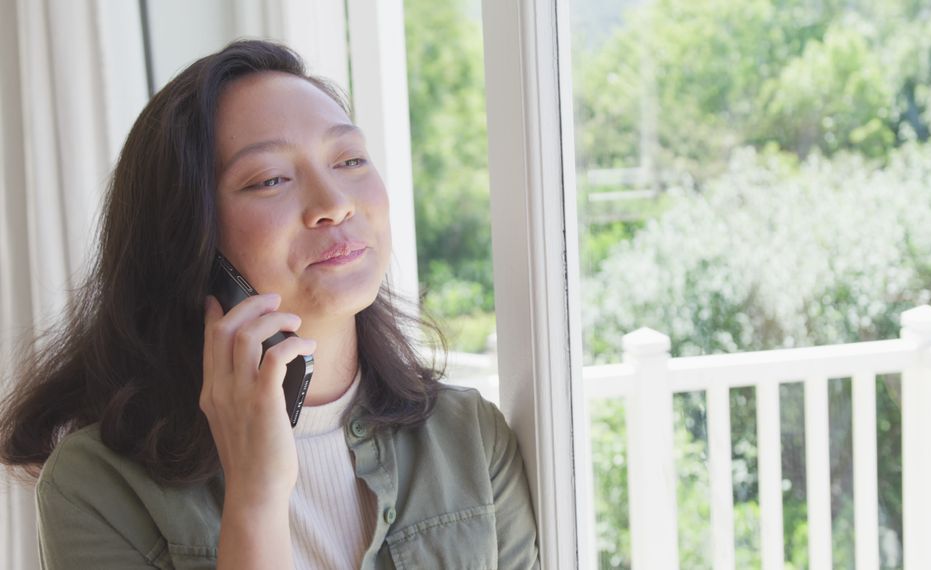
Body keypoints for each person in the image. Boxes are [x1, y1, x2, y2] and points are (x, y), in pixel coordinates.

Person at [0, 39, 539, 569]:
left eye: (350, 159)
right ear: (190, 239)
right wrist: (255, 497)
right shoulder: (96, 487)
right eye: (270, 180)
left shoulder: (470, 438)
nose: (333, 204)